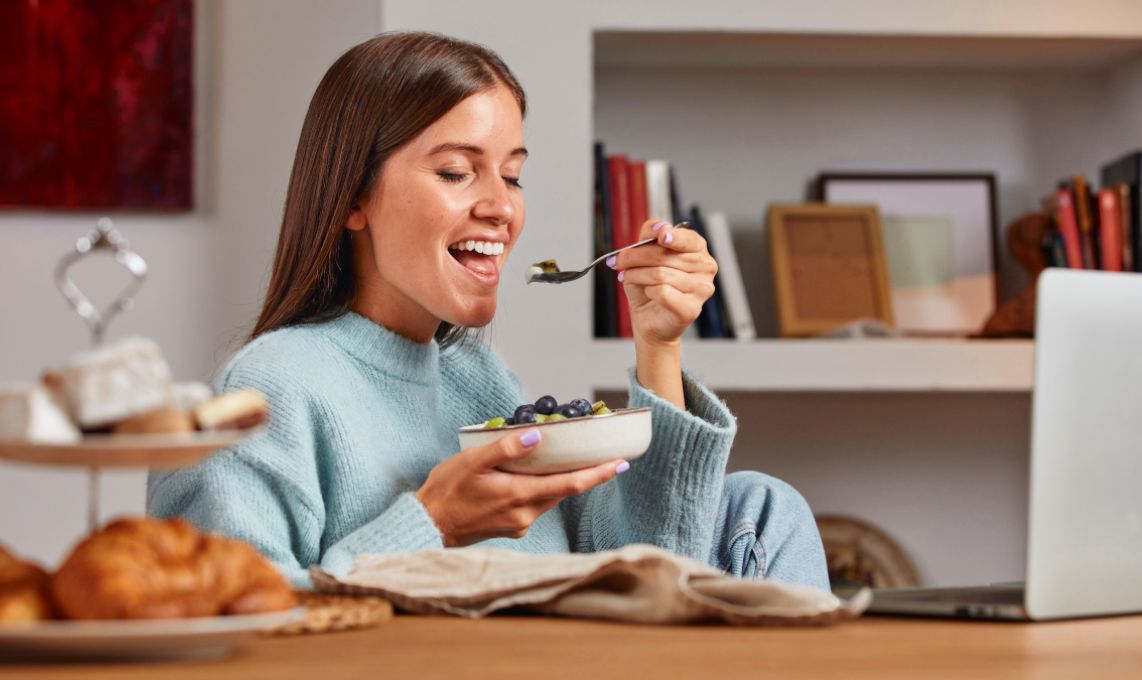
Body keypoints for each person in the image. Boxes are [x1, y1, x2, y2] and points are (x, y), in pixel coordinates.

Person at [147, 31, 829, 591]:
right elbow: (238, 627)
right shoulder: (271, 391)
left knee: (761, 506)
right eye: (455, 172)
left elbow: (652, 563)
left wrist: (659, 344)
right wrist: (431, 525)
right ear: (353, 196)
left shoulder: (477, 379)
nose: (502, 207)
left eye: (512, 175)